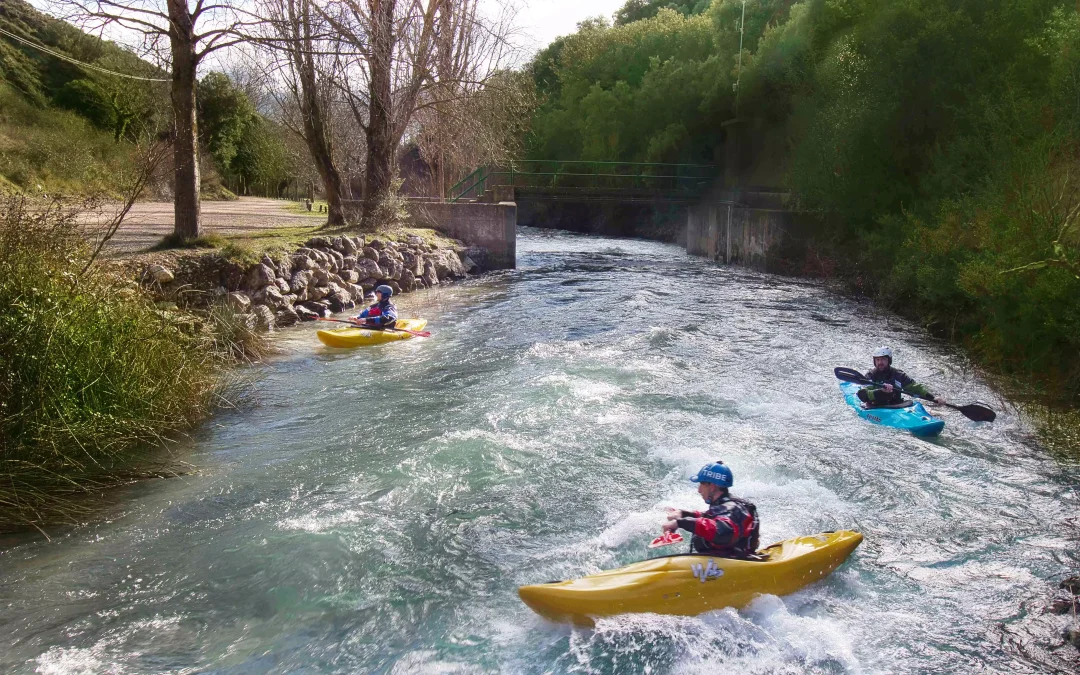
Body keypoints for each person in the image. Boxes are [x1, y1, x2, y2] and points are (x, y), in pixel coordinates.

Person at [662, 461, 760, 558]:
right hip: (723, 563)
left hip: (730, 566)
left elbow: (721, 531)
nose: (699, 490)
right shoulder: (726, 506)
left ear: (712, 487)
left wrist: (680, 523)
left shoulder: (731, 509)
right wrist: (683, 514)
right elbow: (711, 517)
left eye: (701, 484)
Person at [857, 346, 945, 406]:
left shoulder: (899, 375)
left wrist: (933, 398)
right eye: (878, 359)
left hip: (897, 406)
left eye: (883, 359)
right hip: (876, 407)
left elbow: (916, 389)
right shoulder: (870, 376)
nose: (880, 362)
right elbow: (863, 395)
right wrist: (882, 391)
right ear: (874, 361)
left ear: (889, 360)